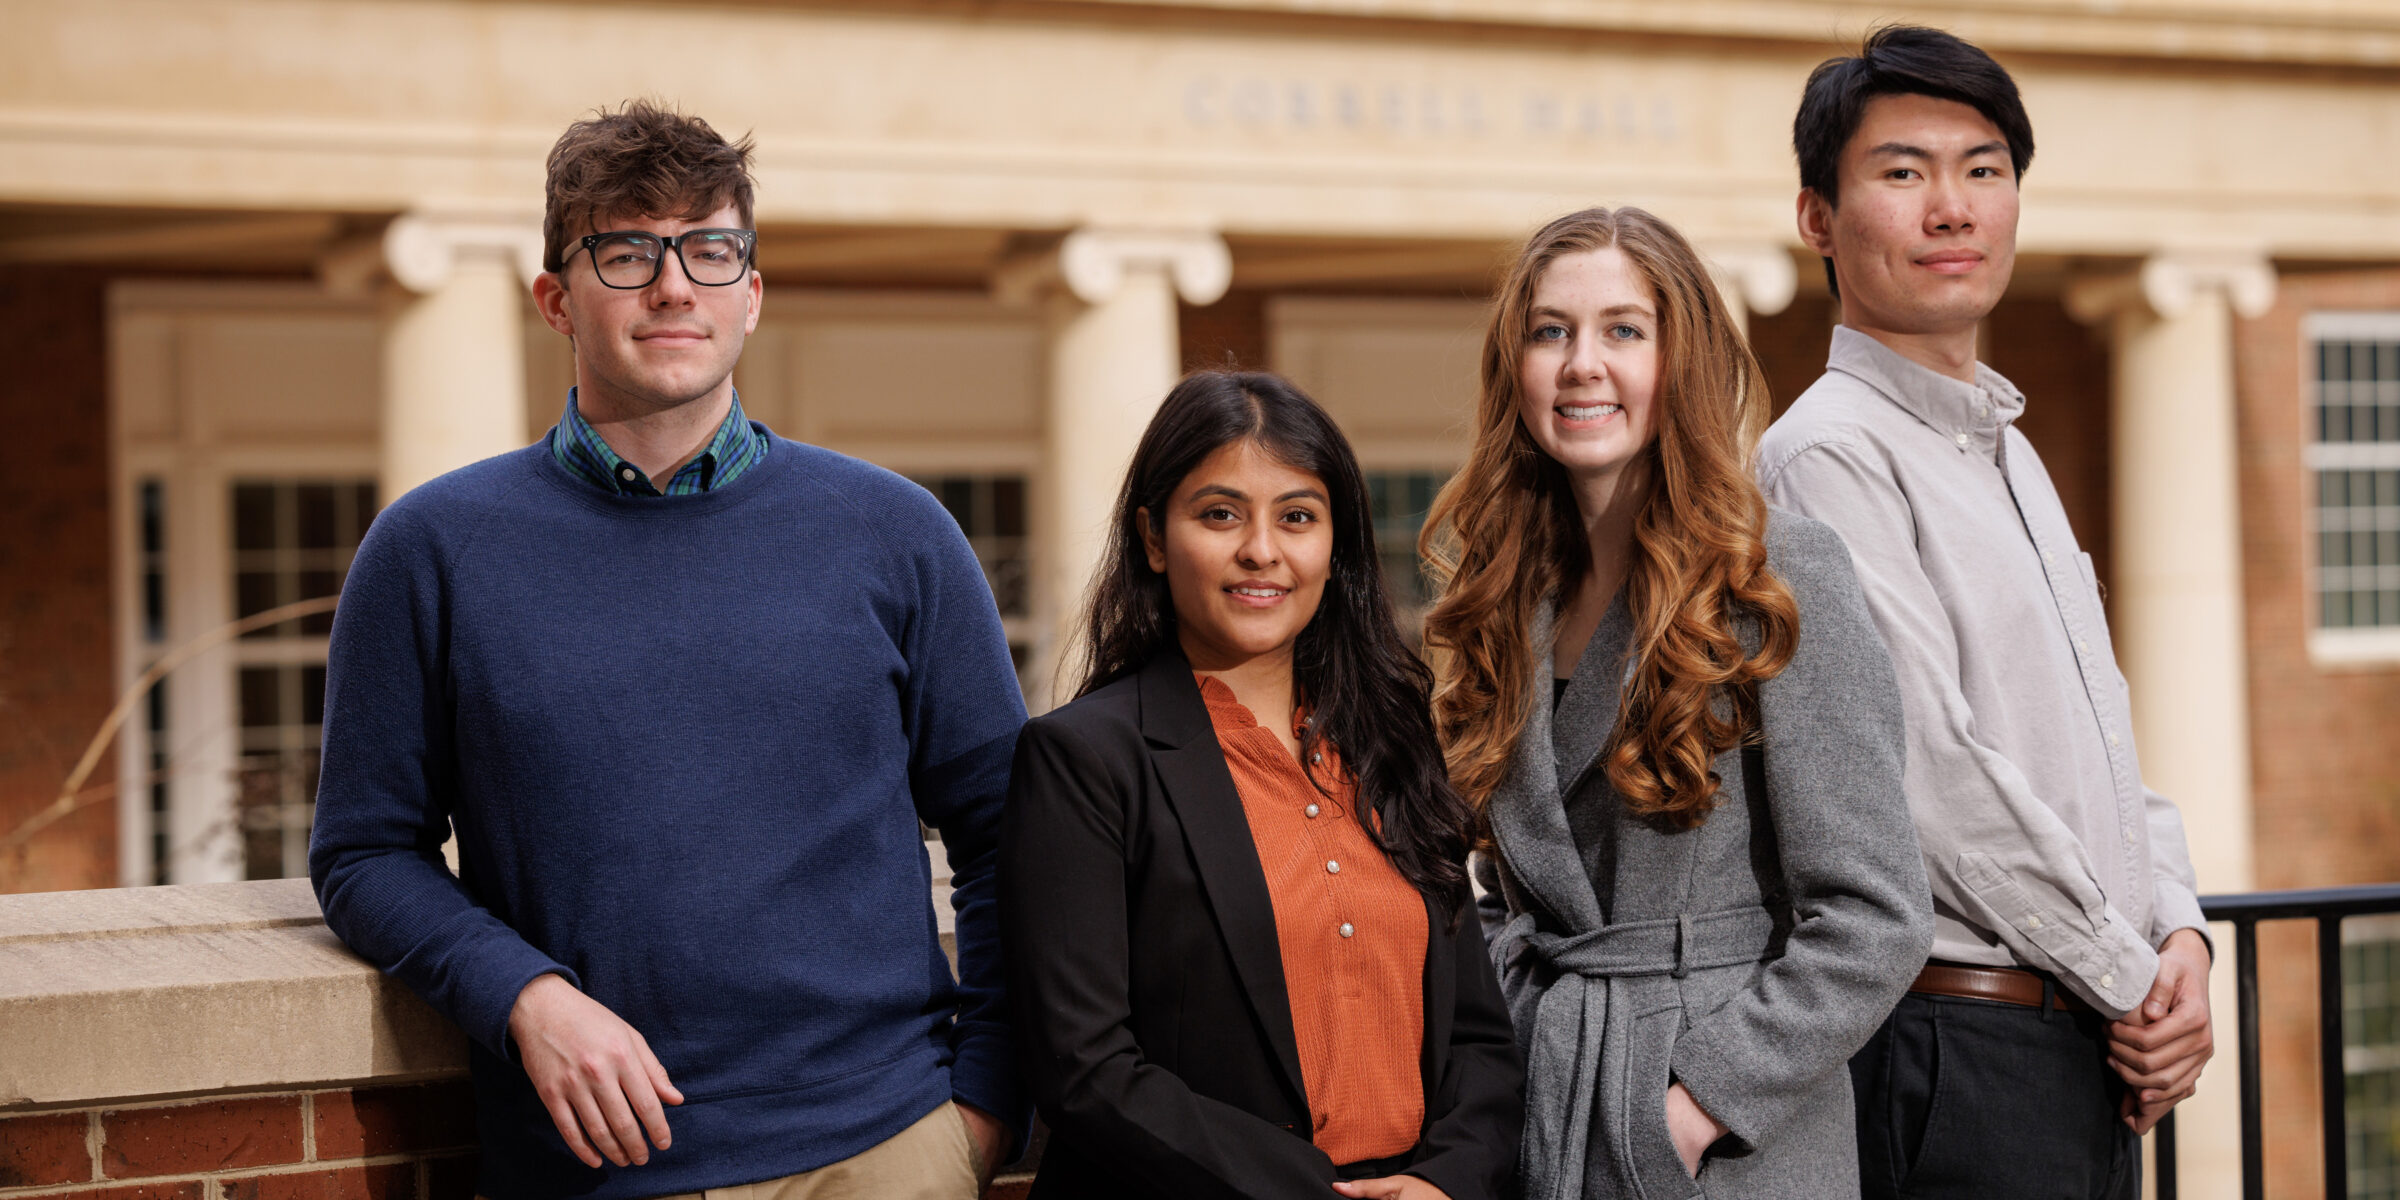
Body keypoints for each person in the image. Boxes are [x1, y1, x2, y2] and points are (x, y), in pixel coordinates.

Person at [309, 100, 1024, 1200]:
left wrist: (979, 1113)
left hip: (886, 1151)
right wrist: (525, 997)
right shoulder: (431, 550)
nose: (675, 284)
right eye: (628, 252)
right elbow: (363, 854)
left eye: (710, 249)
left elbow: (1009, 837)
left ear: (751, 293)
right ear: (556, 298)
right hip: (595, 1169)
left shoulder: (897, 534)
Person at [1761, 26, 2215, 1198]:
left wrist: (2184, 939)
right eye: (1903, 173)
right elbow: (1927, 783)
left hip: (2073, 1033)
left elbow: (2102, 743)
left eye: (1985, 168)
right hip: (1957, 1052)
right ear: (1819, 217)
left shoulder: (2005, 450)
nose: (1951, 208)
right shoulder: (1828, 457)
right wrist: (2134, 978)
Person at [1422, 206, 1933, 1199]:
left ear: (1681, 359)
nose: (1581, 364)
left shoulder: (1777, 573)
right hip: (1549, 1105)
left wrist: (1688, 1113)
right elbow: (1503, 882)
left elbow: (1876, 918)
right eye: (1549, 330)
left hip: (1726, 1147)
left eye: (1623, 329)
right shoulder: (1505, 592)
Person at [1001, 370, 1523, 1200]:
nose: (1262, 551)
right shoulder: (1084, 761)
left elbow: (1479, 1037)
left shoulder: (1392, 741)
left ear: (1334, 545)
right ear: (1154, 537)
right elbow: (1085, 1067)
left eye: (1298, 517)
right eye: (1220, 514)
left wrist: (1448, 1182)